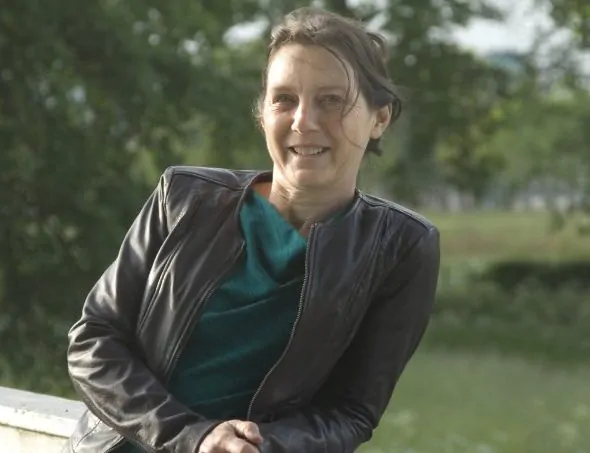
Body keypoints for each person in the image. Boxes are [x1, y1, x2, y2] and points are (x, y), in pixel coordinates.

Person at [63, 6, 440, 453]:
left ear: (380, 117)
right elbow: (93, 341)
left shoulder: (400, 247)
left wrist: (253, 446)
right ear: (262, 112)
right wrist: (194, 436)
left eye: (331, 100)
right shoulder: (183, 197)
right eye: (284, 99)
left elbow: (351, 411)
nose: (303, 121)